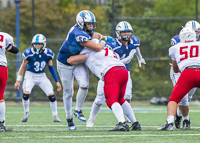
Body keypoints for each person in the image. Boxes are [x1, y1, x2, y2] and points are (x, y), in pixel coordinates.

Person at [56, 10, 115, 130]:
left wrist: (105, 37)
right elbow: (98, 47)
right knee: (68, 92)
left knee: (84, 84)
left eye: (92, 24)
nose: (91, 26)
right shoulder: (79, 34)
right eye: (88, 24)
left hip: (76, 59)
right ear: (81, 23)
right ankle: (69, 118)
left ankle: (77, 110)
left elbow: (95, 35)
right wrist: (104, 41)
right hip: (65, 61)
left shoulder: (82, 30)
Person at [67, 39, 138, 131]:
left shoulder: (88, 52)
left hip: (112, 73)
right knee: (121, 99)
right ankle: (135, 123)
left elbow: (70, 60)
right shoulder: (109, 51)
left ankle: (122, 123)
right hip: (123, 71)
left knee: (111, 100)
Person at [86, 21, 145, 127]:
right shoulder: (111, 44)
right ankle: (91, 119)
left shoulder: (134, 40)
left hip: (121, 72)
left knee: (124, 97)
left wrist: (140, 58)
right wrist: (128, 59)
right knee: (100, 99)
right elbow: (114, 63)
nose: (127, 34)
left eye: (128, 32)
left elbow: (136, 47)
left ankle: (127, 120)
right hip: (111, 72)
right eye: (124, 32)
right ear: (118, 33)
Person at [159, 27, 200, 130]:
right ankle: (185, 120)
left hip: (187, 73)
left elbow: (176, 70)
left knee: (173, 99)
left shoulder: (175, 48)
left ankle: (169, 123)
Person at [14, 34, 62, 123]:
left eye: (39, 44)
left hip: (42, 75)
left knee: (51, 96)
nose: (37, 46)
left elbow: (51, 67)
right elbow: (23, 67)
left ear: (43, 44)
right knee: (26, 94)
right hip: (30, 75)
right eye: (35, 44)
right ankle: (26, 112)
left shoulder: (48, 53)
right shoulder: (29, 53)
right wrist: (18, 80)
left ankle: (55, 115)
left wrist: (57, 81)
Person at [170, 20, 200, 129]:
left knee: (189, 96)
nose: (194, 34)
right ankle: (186, 121)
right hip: (179, 69)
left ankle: (178, 115)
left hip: (194, 69)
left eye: (196, 32)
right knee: (183, 97)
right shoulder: (176, 40)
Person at [0, 30, 19, 132]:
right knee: (0, 97)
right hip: (2, 68)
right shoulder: (5, 36)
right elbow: (15, 50)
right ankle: (1, 123)